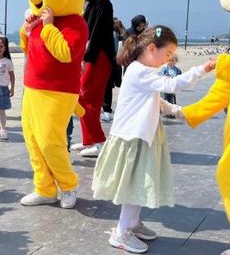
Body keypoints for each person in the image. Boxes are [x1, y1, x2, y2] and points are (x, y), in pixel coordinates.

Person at [92, 26, 215, 253]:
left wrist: (179, 111)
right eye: (167, 55)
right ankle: (121, 232)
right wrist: (203, 69)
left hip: (142, 136)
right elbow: (172, 84)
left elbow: (157, 101)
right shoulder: (140, 71)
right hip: (133, 138)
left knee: (138, 184)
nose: (168, 60)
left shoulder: (143, 71)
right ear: (151, 48)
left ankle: (132, 223)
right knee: (133, 187)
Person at [74, 0, 116, 158]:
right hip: (89, 56)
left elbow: (98, 34)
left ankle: (98, 140)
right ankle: (88, 138)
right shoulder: (88, 3)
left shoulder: (101, 1)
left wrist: (86, 58)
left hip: (98, 56)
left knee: (88, 96)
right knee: (83, 97)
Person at [102, 17, 127, 122]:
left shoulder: (111, 34)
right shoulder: (117, 34)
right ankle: (106, 109)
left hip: (109, 63)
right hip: (113, 63)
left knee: (106, 88)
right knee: (107, 88)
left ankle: (106, 110)